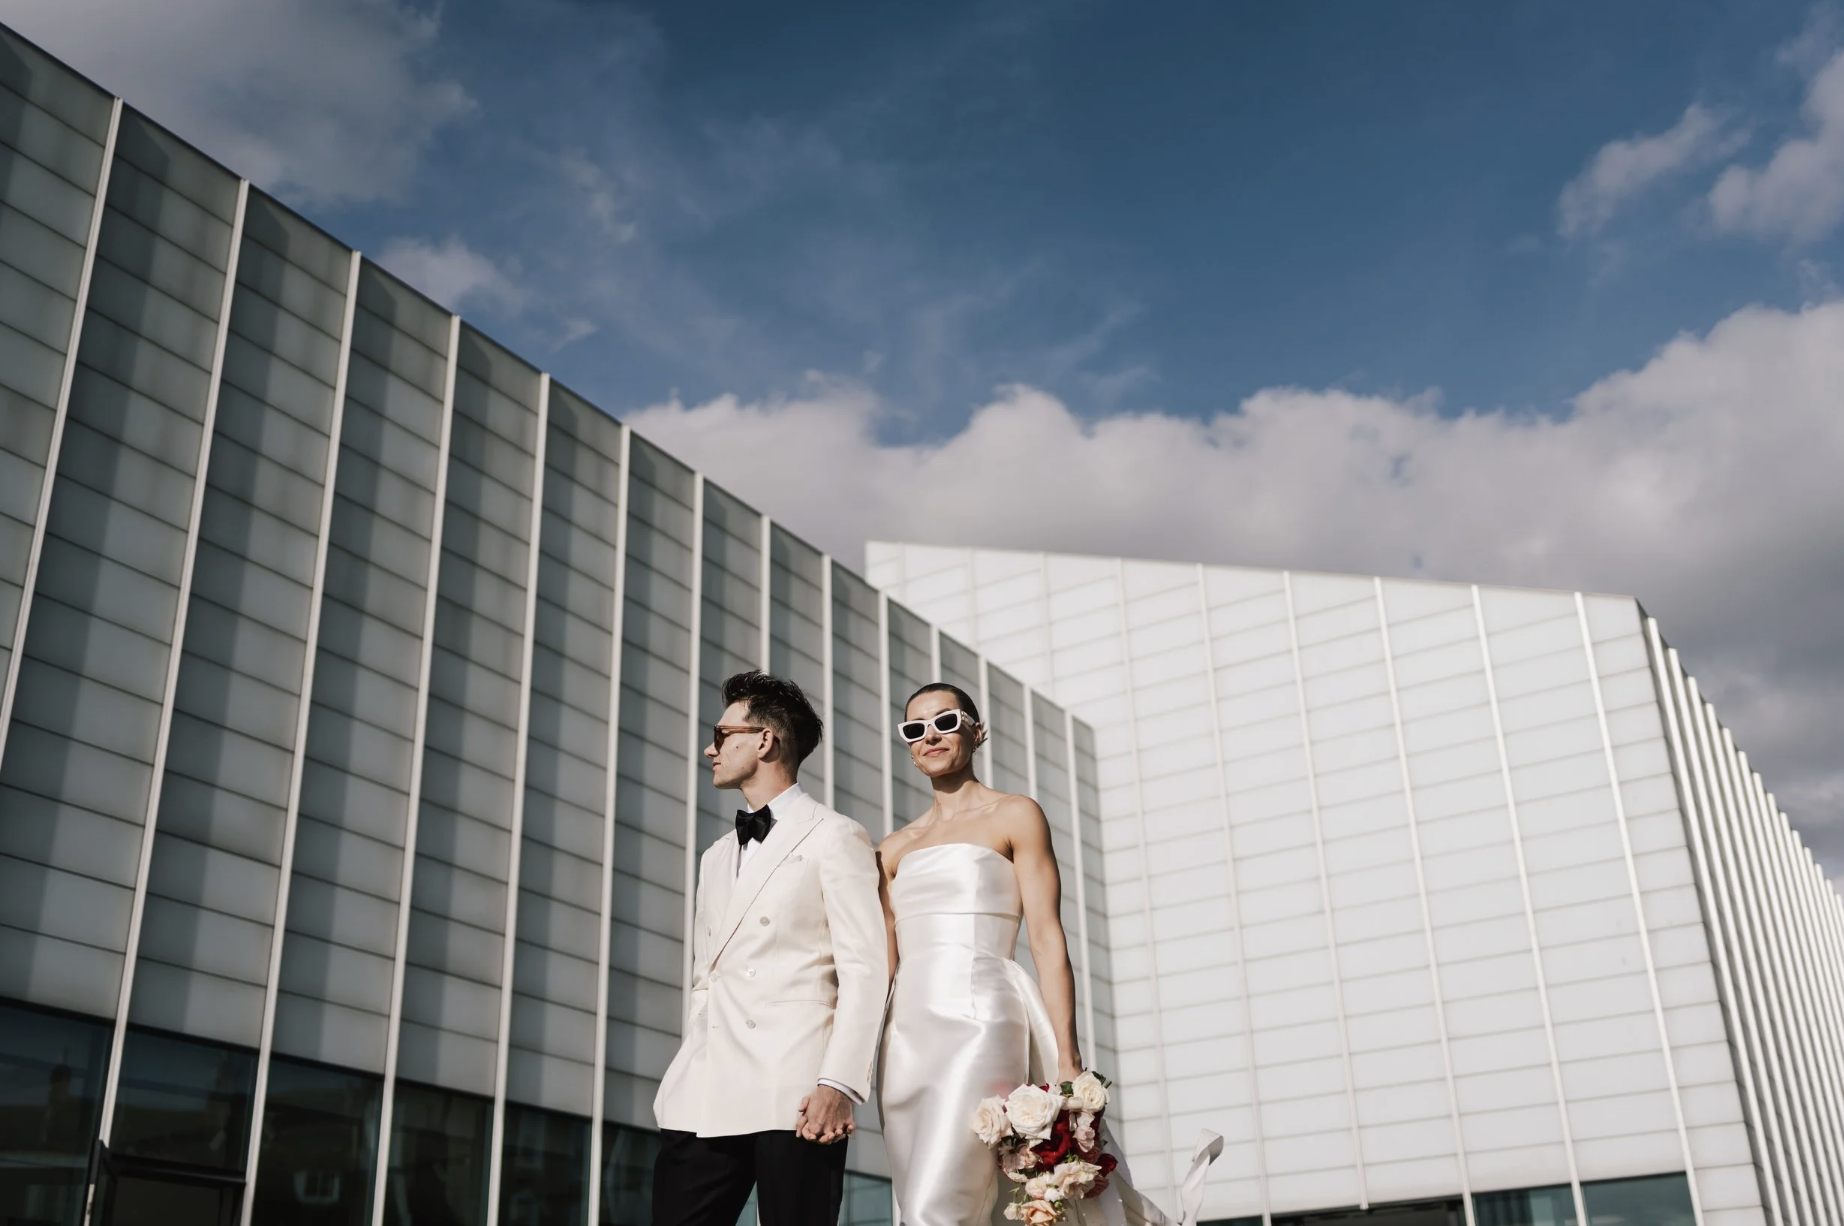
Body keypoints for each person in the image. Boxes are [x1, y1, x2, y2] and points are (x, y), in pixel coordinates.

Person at [876, 683, 1218, 1226]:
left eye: (945, 720)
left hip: (981, 1021)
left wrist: (1068, 1059)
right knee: (929, 1195)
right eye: (914, 729)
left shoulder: (1015, 815)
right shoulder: (892, 849)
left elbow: (1046, 937)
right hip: (903, 1045)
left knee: (937, 1204)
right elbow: (882, 968)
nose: (930, 736)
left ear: (976, 730)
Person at [653, 671, 890, 1226]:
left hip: (796, 1091)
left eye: (722, 732)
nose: (710, 748)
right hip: (704, 1088)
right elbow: (705, 979)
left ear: (764, 740)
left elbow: (865, 971)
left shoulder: (836, 836)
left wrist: (840, 1084)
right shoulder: (715, 856)